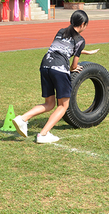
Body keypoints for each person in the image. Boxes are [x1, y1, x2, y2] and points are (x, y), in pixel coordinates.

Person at [12, 11, 99, 143]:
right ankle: (43, 134)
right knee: (63, 106)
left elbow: (63, 48)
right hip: (59, 69)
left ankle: (22, 118)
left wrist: (85, 52)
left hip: (45, 65)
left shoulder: (61, 31)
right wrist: (73, 67)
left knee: (49, 103)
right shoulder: (80, 40)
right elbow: (74, 65)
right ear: (83, 24)